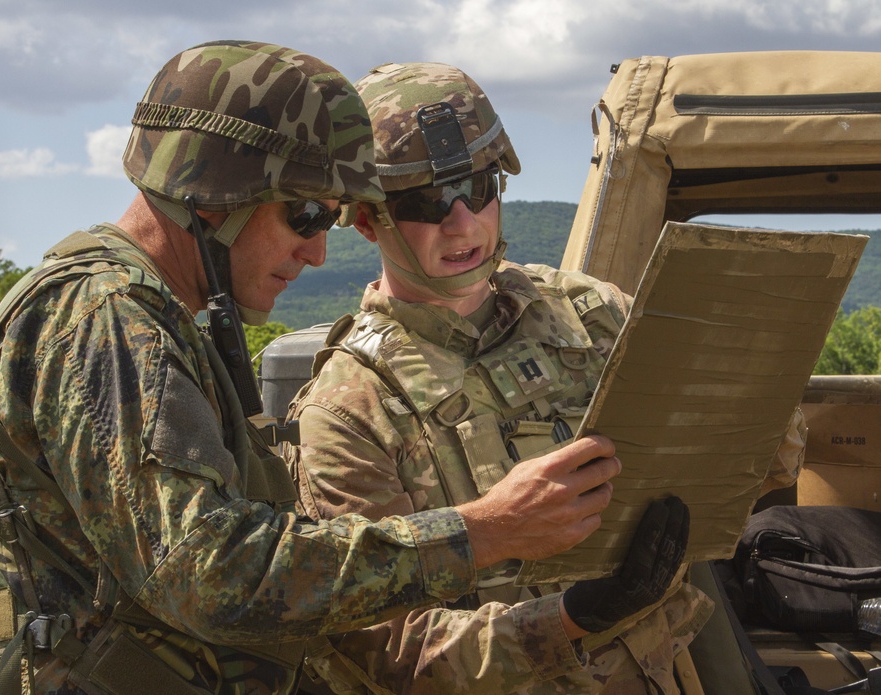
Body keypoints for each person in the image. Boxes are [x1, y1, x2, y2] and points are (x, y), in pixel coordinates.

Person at [0, 42, 623, 695]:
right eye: (305, 214)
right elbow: (208, 569)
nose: (316, 253)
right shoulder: (103, 316)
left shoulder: (147, 318)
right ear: (215, 196)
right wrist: (481, 531)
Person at [285, 62, 805, 694]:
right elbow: (388, 650)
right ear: (368, 221)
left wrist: (756, 408)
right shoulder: (349, 407)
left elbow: (754, 474)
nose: (463, 223)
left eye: (477, 188)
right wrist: (568, 620)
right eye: (424, 203)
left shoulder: (596, 315)